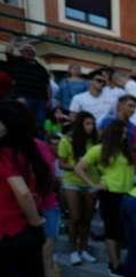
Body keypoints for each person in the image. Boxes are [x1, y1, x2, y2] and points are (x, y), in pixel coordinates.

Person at [0, 101, 66, 277]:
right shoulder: (35, 149)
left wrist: (34, 219)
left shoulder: (4, 153)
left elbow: (22, 192)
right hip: (28, 232)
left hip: (9, 231)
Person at [75, 120, 135, 277]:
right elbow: (79, 168)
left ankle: (117, 262)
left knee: (120, 232)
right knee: (112, 231)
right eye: (121, 133)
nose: (124, 135)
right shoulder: (99, 149)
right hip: (110, 193)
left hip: (126, 193)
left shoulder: (124, 150)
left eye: (125, 133)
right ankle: (114, 265)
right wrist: (93, 185)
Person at [58, 111, 100, 265]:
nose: (91, 127)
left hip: (91, 182)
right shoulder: (66, 140)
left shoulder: (95, 142)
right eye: (88, 123)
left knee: (87, 218)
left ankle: (83, 248)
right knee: (75, 217)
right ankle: (73, 250)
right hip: (72, 181)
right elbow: (61, 163)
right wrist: (76, 166)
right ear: (80, 124)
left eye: (93, 124)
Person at [5, 39, 51, 132]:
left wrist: (48, 99)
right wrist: (14, 39)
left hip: (40, 99)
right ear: (21, 52)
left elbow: (47, 85)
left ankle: (38, 143)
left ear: (34, 53)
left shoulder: (41, 68)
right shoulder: (18, 62)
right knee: (23, 121)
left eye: (30, 50)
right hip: (24, 97)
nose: (28, 52)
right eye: (25, 50)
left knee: (39, 124)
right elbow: (8, 51)